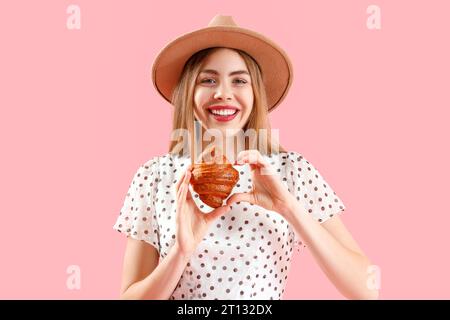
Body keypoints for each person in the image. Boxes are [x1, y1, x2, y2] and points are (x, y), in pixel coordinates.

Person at [113, 15, 378, 300]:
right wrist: (180, 252)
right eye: (208, 79)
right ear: (190, 92)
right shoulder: (155, 176)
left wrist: (288, 207)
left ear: (256, 95)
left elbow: (366, 290)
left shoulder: (292, 171)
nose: (223, 93)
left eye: (239, 80)